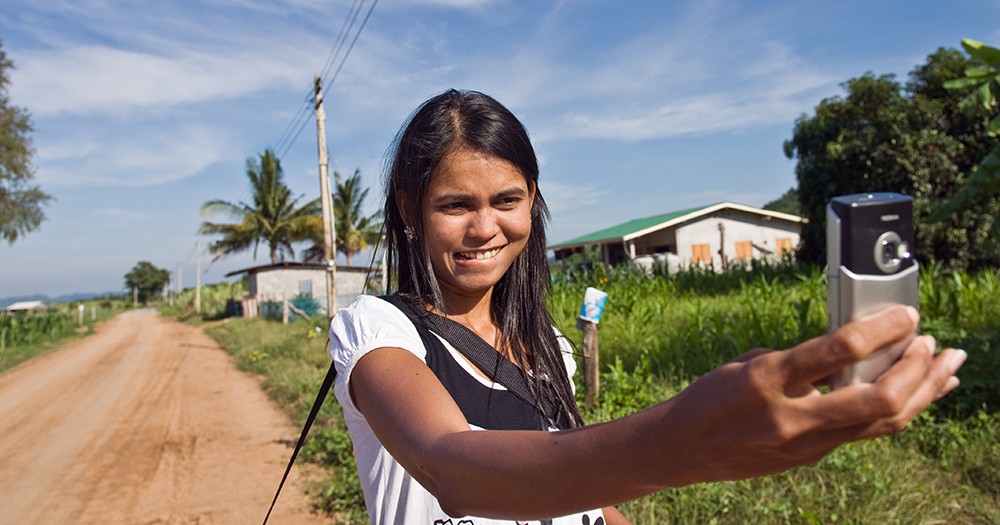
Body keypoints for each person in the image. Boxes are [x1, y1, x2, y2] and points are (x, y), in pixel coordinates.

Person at [328, 89, 966, 525]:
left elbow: (571, 483)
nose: (485, 229)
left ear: (533, 201)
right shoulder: (379, 331)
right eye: (455, 205)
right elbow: (450, 467)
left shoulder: (547, 341)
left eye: (506, 200)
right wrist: (688, 442)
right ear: (411, 210)